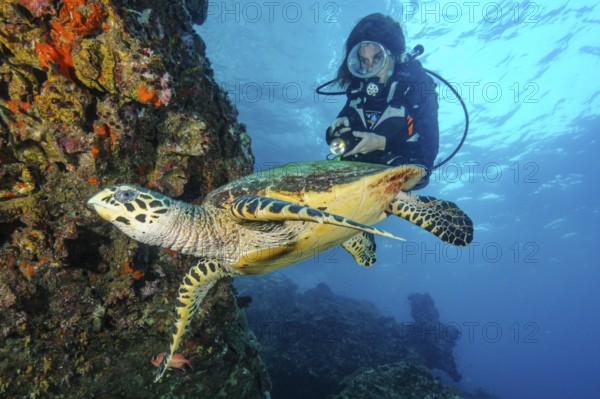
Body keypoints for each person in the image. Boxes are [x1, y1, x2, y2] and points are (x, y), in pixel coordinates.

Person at [325, 13, 439, 188]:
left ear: (393, 55)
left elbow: (426, 157)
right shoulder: (358, 89)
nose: (370, 69)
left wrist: (382, 144)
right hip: (351, 180)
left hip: (395, 181)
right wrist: (336, 131)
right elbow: (335, 139)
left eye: (378, 58)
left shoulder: (418, 88)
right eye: (364, 61)